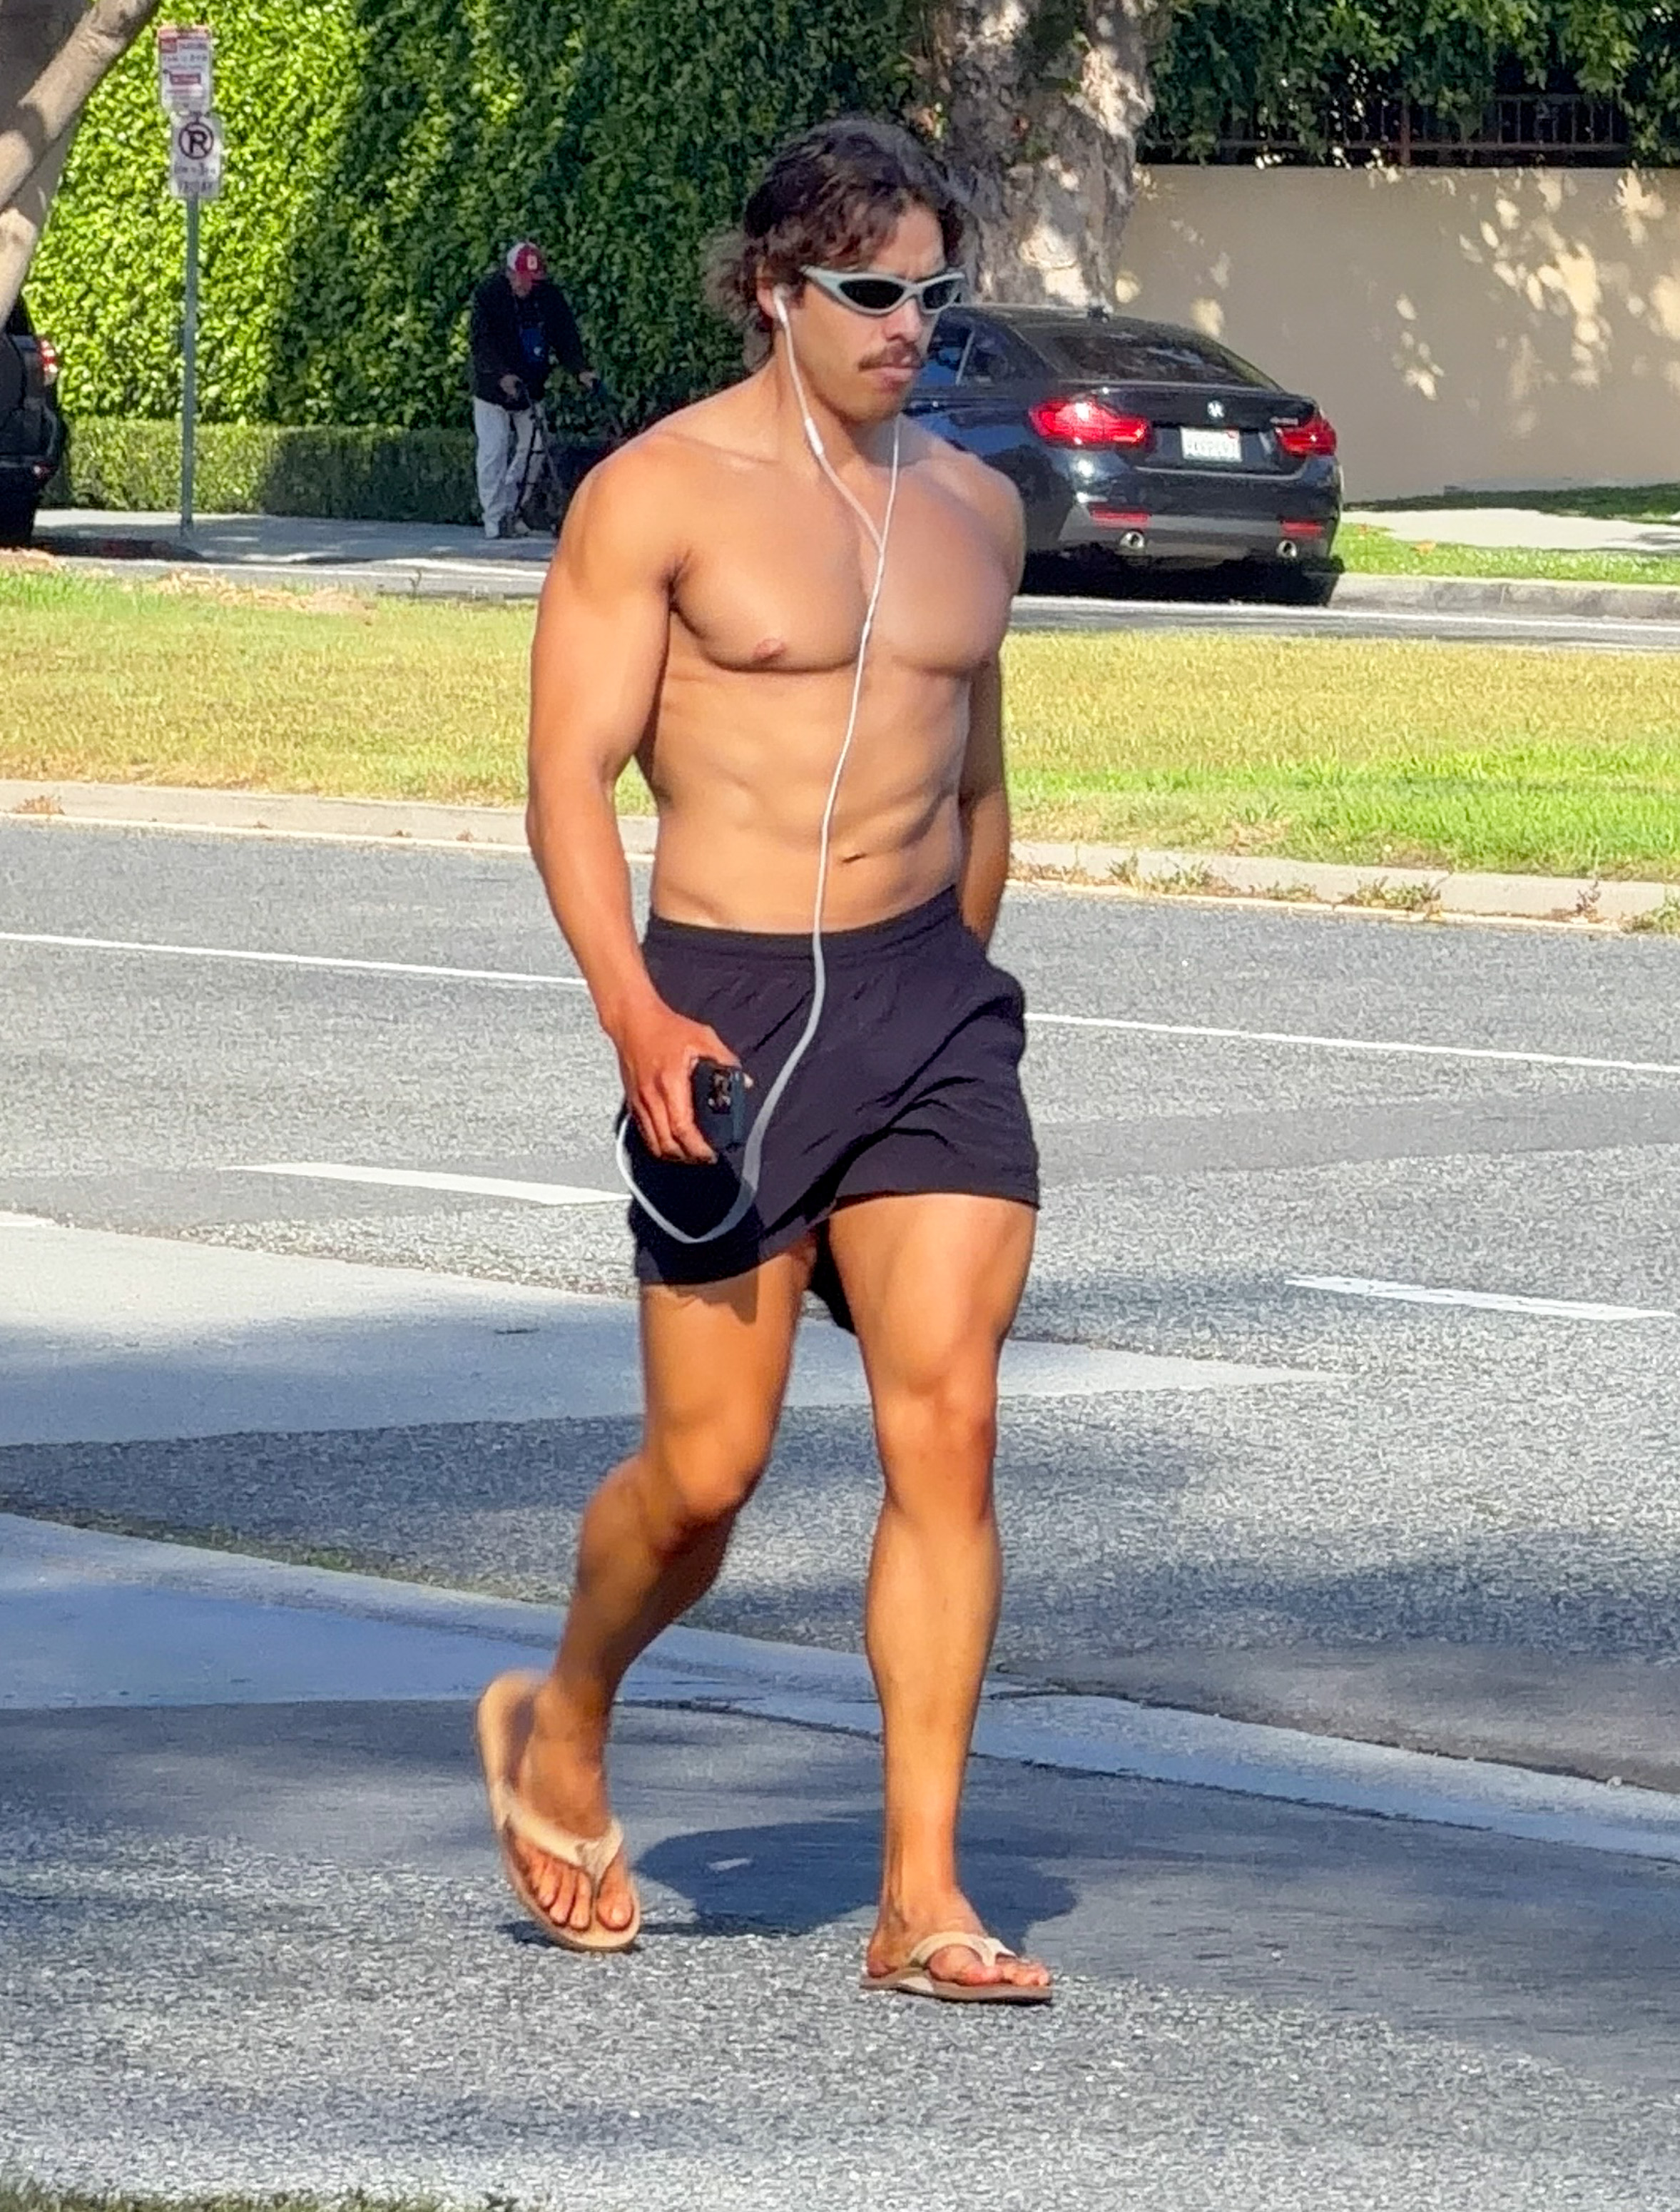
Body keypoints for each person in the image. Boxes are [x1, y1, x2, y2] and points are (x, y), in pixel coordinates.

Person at [477, 116, 1052, 2005]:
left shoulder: (975, 509)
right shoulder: (658, 495)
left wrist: (953, 995)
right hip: (717, 1001)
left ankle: (922, 1895)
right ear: (778, 289)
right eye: (874, 294)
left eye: (933, 296)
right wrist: (635, 1010)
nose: (910, 328)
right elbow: (566, 781)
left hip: (922, 1003)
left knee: (946, 1429)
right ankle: (564, 1713)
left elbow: (974, 785)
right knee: (708, 1475)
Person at [468, 240, 599, 539]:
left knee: (535, 448)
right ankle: (494, 517)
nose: (526, 285)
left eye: (532, 280)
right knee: (494, 450)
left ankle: (514, 505)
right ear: (509, 274)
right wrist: (502, 375)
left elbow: (566, 337)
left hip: (531, 385)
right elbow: (481, 343)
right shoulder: (488, 295)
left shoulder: (549, 298)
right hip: (492, 389)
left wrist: (581, 370)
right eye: (520, 279)